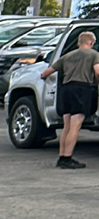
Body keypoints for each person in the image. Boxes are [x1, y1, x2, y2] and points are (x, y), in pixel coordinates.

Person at [41, 31, 99, 169]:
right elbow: (97, 71)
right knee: (75, 126)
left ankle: (62, 157)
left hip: (66, 90)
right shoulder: (94, 55)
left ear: (79, 42)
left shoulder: (67, 56)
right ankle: (68, 158)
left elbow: (45, 73)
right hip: (82, 89)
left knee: (66, 126)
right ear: (91, 43)